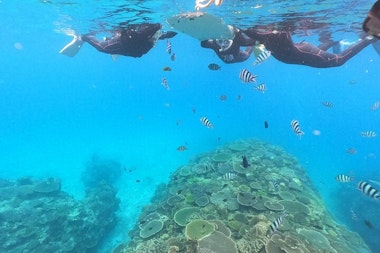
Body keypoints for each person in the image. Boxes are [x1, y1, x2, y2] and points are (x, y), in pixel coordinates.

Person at [243, 25, 376, 68]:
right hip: (300, 52)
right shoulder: (264, 34)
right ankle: (334, 41)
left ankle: (371, 37)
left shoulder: (269, 34)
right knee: (318, 54)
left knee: (339, 59)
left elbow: (248, 36)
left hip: (300, 52)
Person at [60, 23, 176, 58]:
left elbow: (165, 33)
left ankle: (108, 40)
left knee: (105, 47)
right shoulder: (146, 32)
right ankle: (81, 37)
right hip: (125, 44)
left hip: (134, 47)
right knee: (103, 47)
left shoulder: (152, 34)